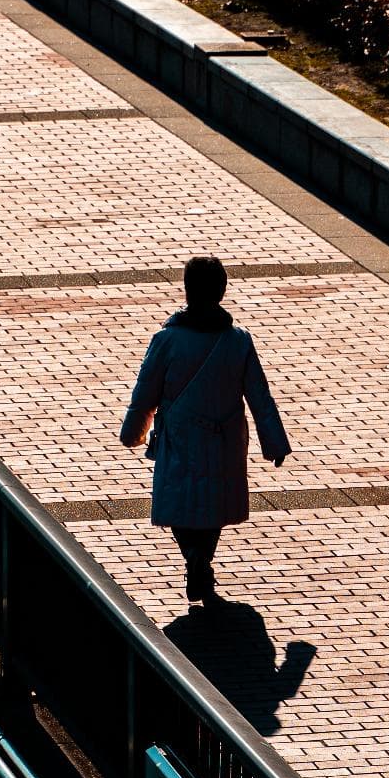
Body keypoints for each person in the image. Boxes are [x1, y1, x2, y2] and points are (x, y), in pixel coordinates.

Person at [120, 256, 290, 605]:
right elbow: (260, 395)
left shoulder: (167, 340)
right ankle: (204, 558)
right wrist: (274, 442)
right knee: (214, 506)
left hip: (180, 435)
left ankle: (192, 556)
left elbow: (145, 392)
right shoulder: (238, 341)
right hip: (225, 439)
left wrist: (133, 431)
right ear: (222, 291)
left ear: (186, 291)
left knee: (179, 504)